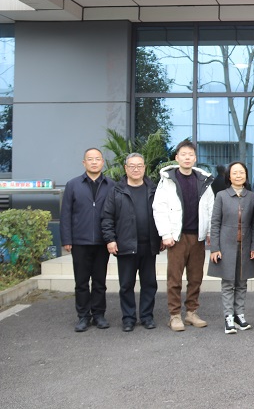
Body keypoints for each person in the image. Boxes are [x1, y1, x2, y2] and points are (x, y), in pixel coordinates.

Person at [153, 140, 215, 332]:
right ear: (177, 157)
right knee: (175, 278)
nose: (187, 158)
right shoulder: (168, 180)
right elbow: (159, 208)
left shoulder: (203, 180)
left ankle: (191, 313)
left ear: (195, 158)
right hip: (177, 237)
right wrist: (165, 234)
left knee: (196, 277)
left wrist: (210, 231)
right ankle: (174, 315)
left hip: (198, 237)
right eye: (183, 154)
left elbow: (211, 207)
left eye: (191, 155)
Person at [100, 153, 161, 332]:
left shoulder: (154, 190)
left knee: (149, 284)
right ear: (126, 168)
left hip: (148, 246)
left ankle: (147, 317)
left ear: (145, 168)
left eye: (139, 166)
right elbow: (107, 217)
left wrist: (161, 238)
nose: (136, 169)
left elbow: (163, 215)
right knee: (126, 285)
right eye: (132, 166)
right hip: (126, 245)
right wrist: (110, 239)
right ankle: (128, 318)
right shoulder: (116, 191)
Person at [60, 147, 114, 332]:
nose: (94, 162)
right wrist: (67, 239)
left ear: (102, 162)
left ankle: (99, 315)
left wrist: (113, 238)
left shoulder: (111, 185)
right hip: (79, 241)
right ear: (84, 163)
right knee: (81, 282)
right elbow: (65, 214)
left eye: (97, 159)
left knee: (99, 281)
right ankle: (83, 316)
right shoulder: (73, 185)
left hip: (102, 242)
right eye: (90, 159)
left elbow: (116, 213)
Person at [208, 161, 254, 334]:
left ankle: (240, 315)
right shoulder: (221, 196)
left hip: (245, 246)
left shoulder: (252, 196)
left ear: (246, 175)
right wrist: (214, 248)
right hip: (226, 246)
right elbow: (215, 223)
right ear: (229, 176)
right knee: (228, 283)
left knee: (242, 282)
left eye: (242, 172)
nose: (238, 175)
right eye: (235, 173)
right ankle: (228, 317)